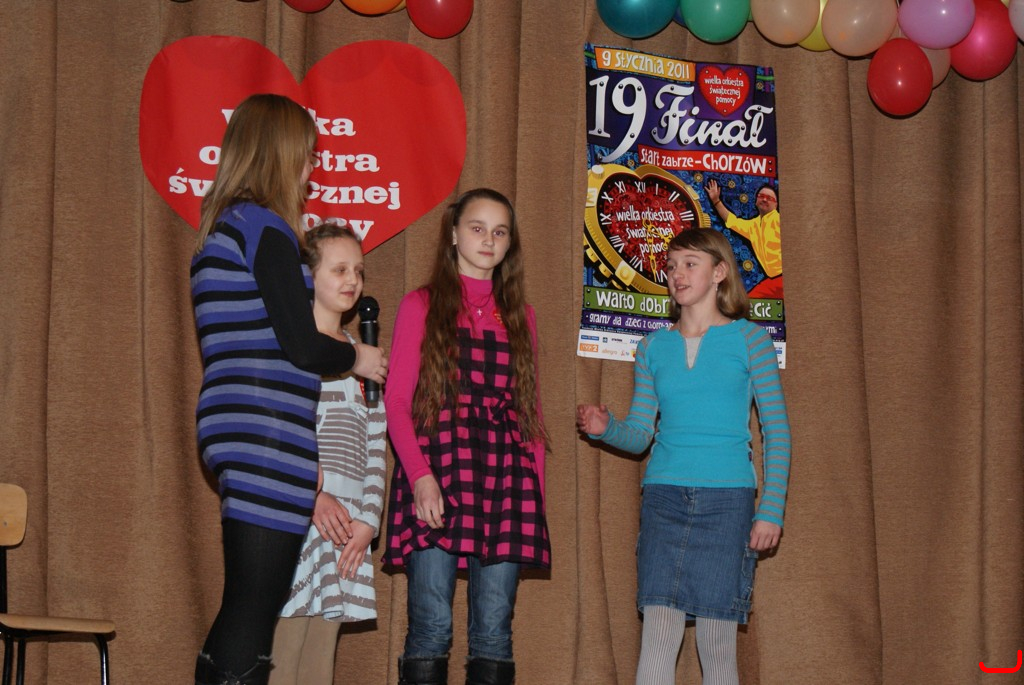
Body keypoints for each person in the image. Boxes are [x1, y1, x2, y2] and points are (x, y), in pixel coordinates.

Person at [190, 93, 387, 685]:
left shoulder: (225, 228)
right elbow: (302, 345)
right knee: (254, 615)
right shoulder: (266, 228)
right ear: (279, 152)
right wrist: (358, 357)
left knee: (245, 610)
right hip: (265, 429)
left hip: (238, 423)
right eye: (306, 155)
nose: (310, 169)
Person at [576, 228, 791, 685]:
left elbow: (776, 432)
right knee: (657, 632)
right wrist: (606, 428)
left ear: (719, 272)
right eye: (672, 266)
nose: (677, 274)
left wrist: (770, 509)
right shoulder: (652, 347)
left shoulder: (751, 341)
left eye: (690, 264)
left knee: (716, 641)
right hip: (663, 500)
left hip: (728, 502)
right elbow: (640, 435)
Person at [384, 188, 550, 685]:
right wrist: (420, 477)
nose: (488, 240)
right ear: (454, 234)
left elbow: (529, 413)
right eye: (477, 228)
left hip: (506, 476)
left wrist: (535, 496)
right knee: (431, 627)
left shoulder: (520, 315)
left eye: (500, 232)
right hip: (437, 466)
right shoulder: (421, 304)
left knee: (494, 634)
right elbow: (397, 402)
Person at [269, 222, 387, 685]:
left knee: (320, 657)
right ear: (308, 276)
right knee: (284, 650)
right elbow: (278, 434)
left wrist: (368, 521)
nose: (352, 279)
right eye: (339, 269)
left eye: (358, 270)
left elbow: (376, 444)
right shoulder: (294, 351)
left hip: (348, 531)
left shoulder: (363, 355)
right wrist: (312, 497)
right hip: (302, 518)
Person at [704, 179, 782, 299]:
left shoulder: (778, 220)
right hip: (773, 279)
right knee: (751, 301)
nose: (765, 199)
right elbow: (732, 221)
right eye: (761, 196)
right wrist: (716, 201)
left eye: (769, 198)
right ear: (756, 201)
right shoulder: (753, 225)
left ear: (776, 205)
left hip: (784, 277)